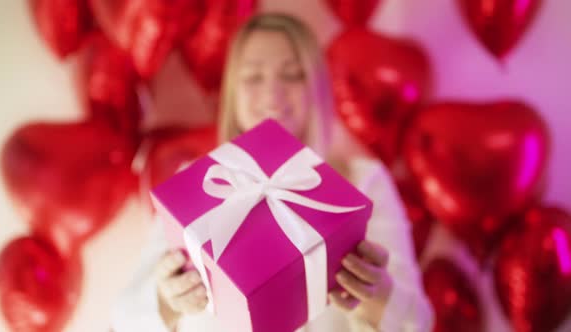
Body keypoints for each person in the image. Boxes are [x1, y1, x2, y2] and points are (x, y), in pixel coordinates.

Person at [111, 13, 434, 332]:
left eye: (292, 75)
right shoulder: (197, 183)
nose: (272, 94)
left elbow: (418, 321)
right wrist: (166, 300)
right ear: (232, 92)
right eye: (252, 77)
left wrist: (381, 300)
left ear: (316, 87)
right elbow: (124, 318)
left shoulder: (364, 182)